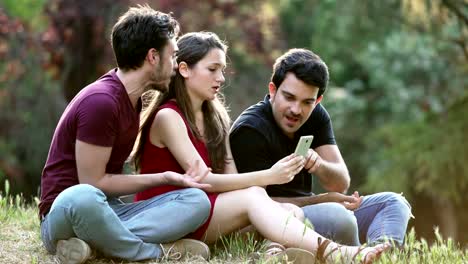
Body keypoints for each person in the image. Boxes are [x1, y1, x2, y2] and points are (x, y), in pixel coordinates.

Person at [131, 31, 389, 263]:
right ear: (185, 70)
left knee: (287, 211)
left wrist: (317, 198)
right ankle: (339, 253)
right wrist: (270, 176)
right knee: (255, 194)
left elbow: (232, 181)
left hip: (204, 214)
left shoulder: (215, 117)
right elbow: (205, 182)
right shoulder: (169, 117)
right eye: (213, 69)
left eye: (222, 69)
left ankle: (272, 256)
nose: (221, 78)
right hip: (170, 216)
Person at [39, 5, 213, 263]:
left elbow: (108, 188)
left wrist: (171, 180)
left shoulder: (134, 102)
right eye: (173, 56)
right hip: (65, 213)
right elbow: (93, 183)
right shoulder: (101, 102)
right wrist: (163, 177)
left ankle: (95, 245)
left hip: (109, 211)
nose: (176, 66)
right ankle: (154, 252)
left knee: (197, 201)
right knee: (84, 196)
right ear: (153, 56)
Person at [229, 48, 412, 247]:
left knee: (394, 203)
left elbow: (340, 183)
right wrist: (323, 200)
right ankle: (357, 257)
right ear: (273, 90)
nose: (296, 110)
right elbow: (257, 206)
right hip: (280, 220)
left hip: (313, 210)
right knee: (339, 217)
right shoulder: (251, 129)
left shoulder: (316, 115)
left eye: (307, 102)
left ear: (317, 101)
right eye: (289, 97)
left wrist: (320, 166)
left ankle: (381, 256)